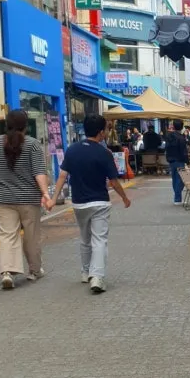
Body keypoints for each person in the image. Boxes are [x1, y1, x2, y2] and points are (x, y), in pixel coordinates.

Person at [50, 114, 131, 294]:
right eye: (106, 130)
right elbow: (114, 181)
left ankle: (85, 272)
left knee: (85, 238)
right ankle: (97, 277)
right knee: (99, 240)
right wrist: (124, 198)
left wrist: (54, 198)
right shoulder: (104, 153)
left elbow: (62, 176)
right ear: (101, 132)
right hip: (100, 202)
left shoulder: (72, 150)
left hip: (79, 203)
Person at [0, 109, 50, 290]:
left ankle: (7, 272)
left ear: (7, 125)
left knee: (7, 235)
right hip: (29, 199)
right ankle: (34, 270)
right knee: (31, 236)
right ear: (26, 126)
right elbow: (39, 173)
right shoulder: (33, 145)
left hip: (4, 199)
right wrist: (45, 193)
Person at [164, 119, 189, 205]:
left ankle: (177, 197)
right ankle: (177, 198)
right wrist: (187, 161)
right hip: (179, 160)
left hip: (171, 160)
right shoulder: (181, 138)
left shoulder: (169, 136)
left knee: (175, 179)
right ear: (182, 127)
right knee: (180, 179)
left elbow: (166, 148)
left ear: (174, 126)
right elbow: (184, 151)